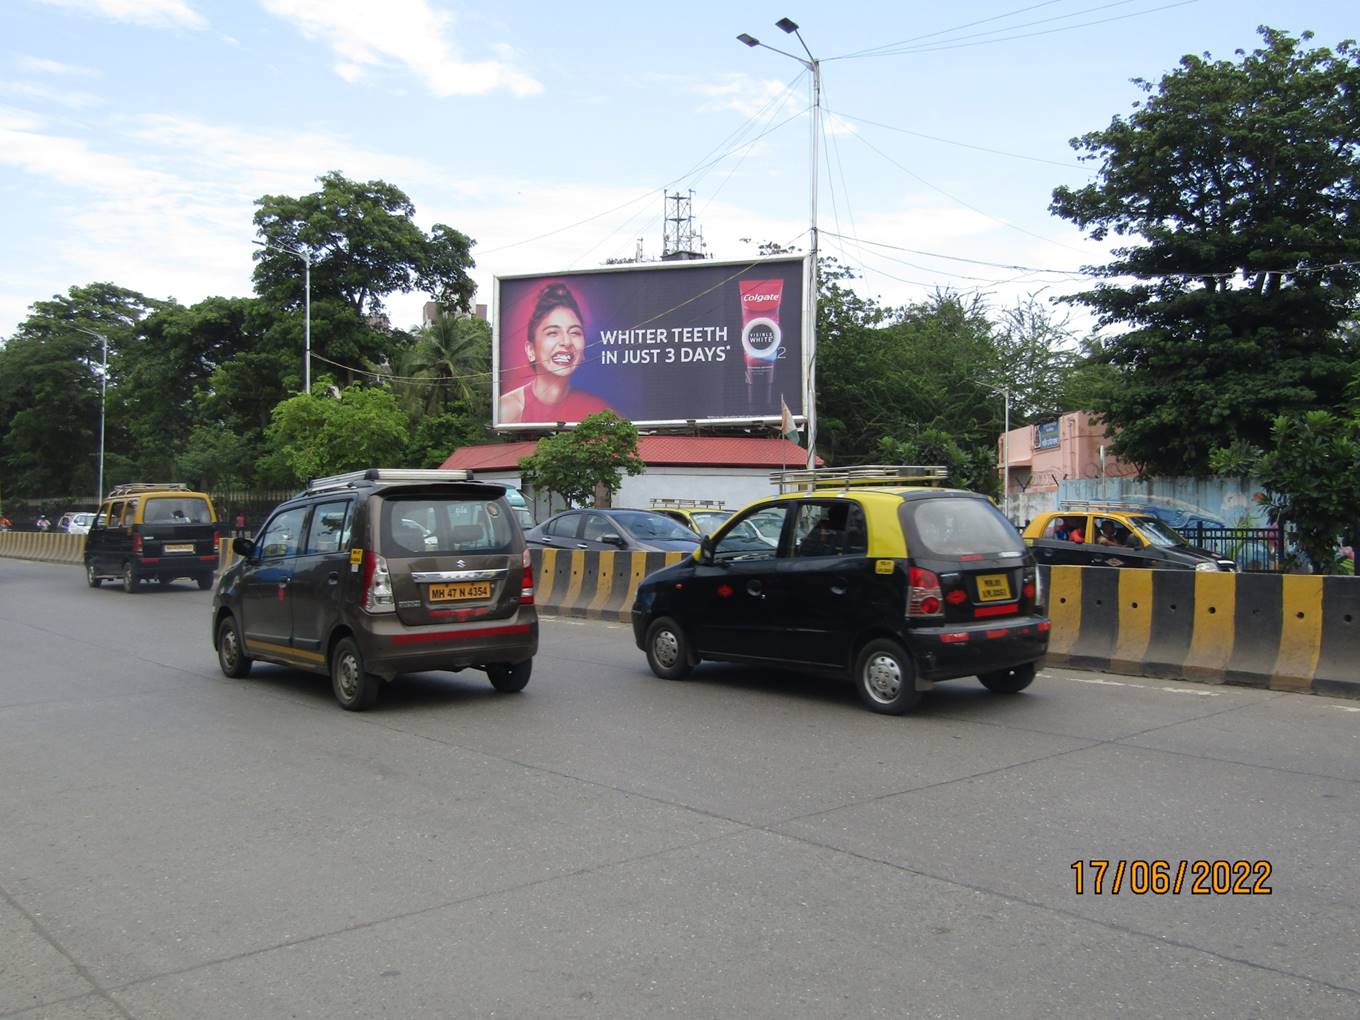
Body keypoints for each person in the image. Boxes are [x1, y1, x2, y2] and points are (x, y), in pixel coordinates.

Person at [498, 282, 613, 424]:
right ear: (531, 350)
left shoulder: (599, 411)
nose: (566, 342)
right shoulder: (507, 410)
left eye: (575, 332)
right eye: (553, 333)